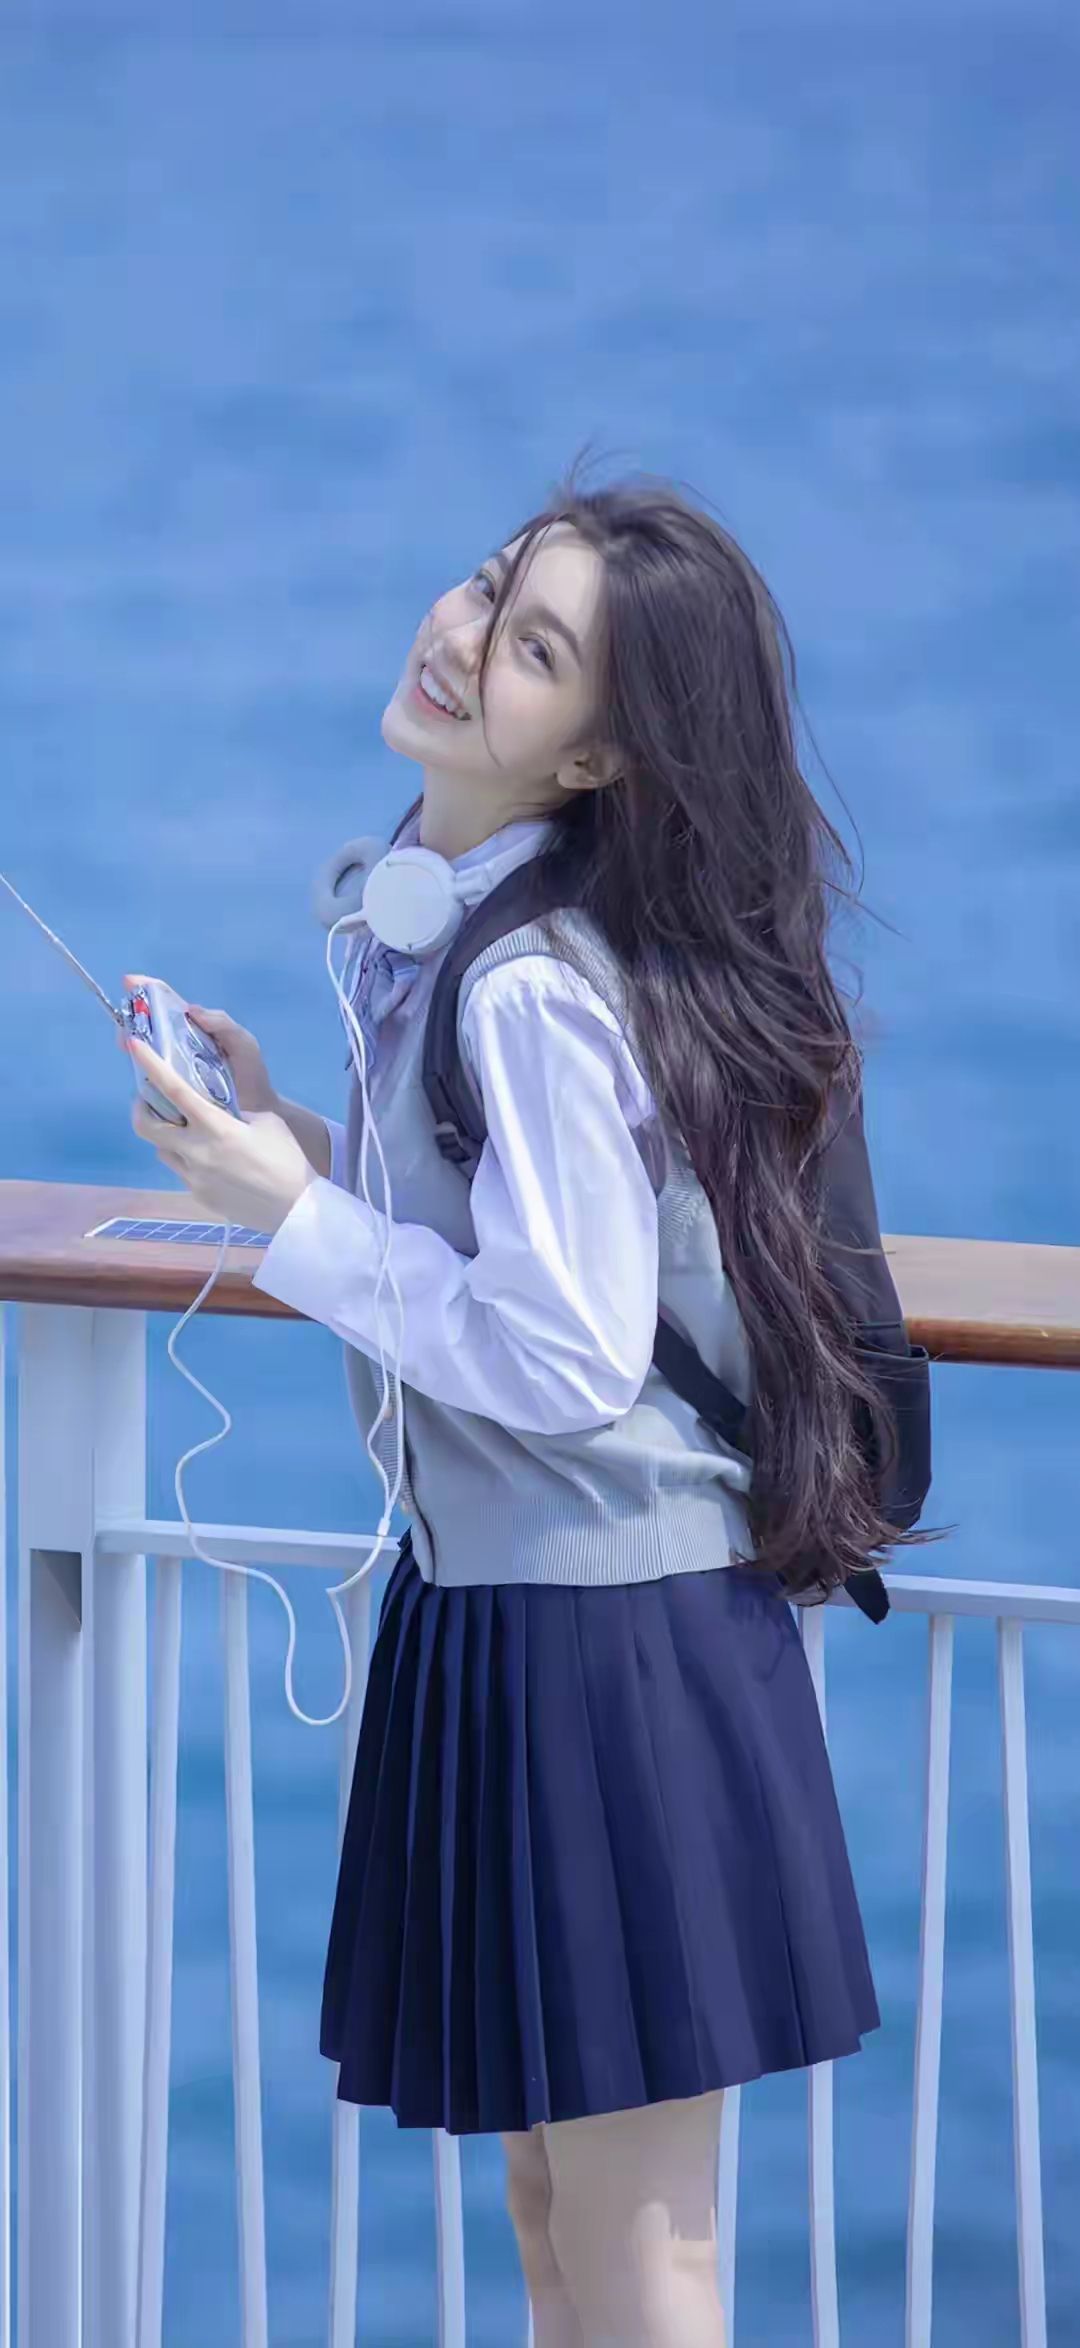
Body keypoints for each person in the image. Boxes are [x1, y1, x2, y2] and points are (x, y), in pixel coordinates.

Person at [158, 473, 909, 2345]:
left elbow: (569, 1356)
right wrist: (301, 1151)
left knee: (635, 2238)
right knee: (556, 2208)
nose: (464, 637)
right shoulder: (475, 933)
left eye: (534, 645)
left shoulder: (534, 987)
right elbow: (513, 1243)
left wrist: (295, 1223)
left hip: (610, 1639)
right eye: (494, 588)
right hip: (529, 1619)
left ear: (593, 759)